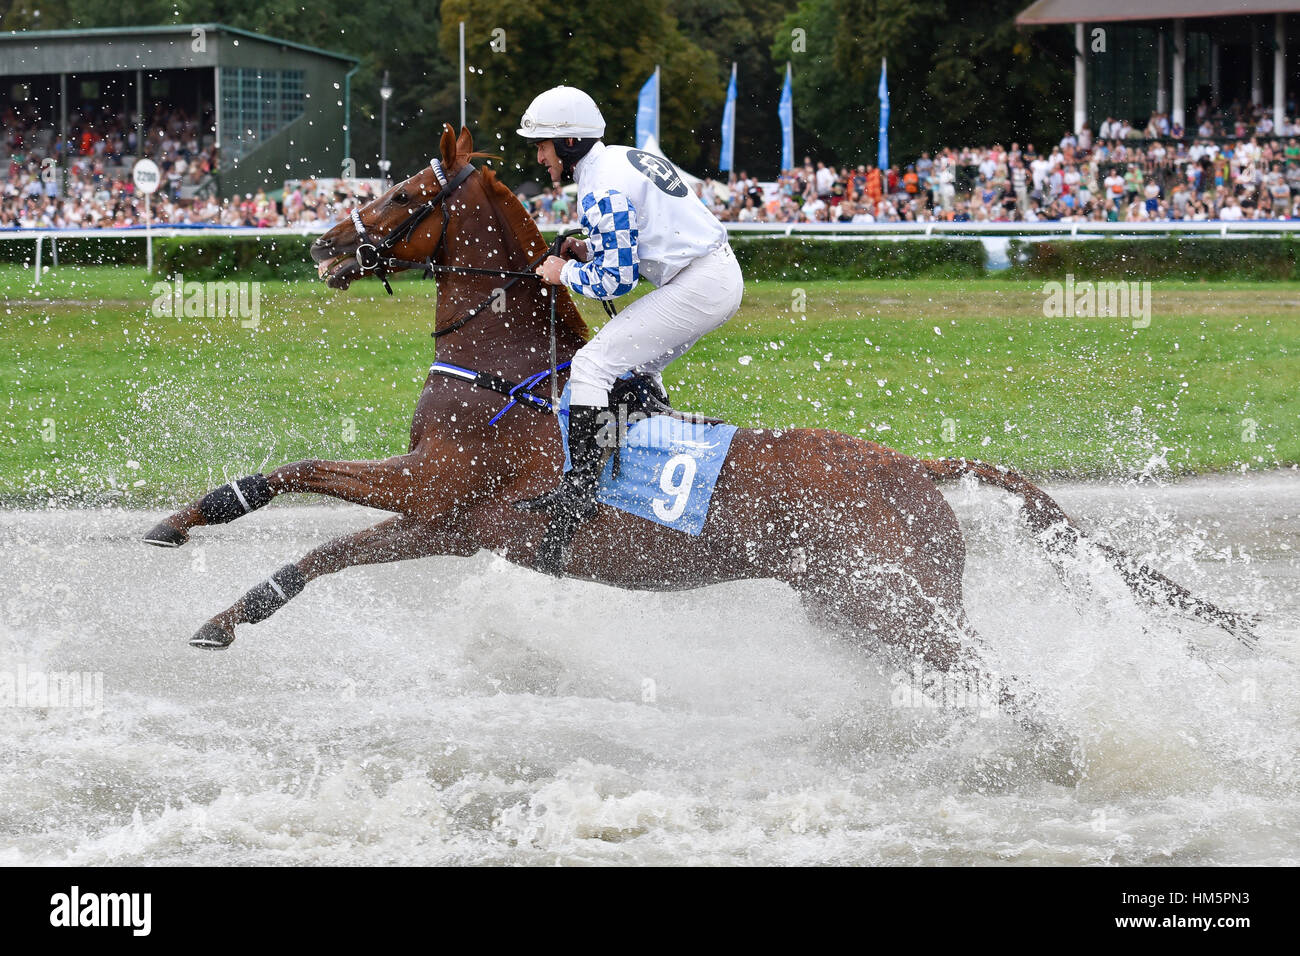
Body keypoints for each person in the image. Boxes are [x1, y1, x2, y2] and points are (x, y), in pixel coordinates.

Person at [513, 86, 744, 531]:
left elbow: (617, 280)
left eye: (542, 145)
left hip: (700, 283)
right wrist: (586, 249)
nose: (539, 157)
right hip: (712, 276)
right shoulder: (617, 158)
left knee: (592, 365)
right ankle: (638, 459)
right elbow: (630, 254)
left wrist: (561, 273)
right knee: (632, 372)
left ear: (569, 142)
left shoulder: (600, 185)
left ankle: (578, 489)